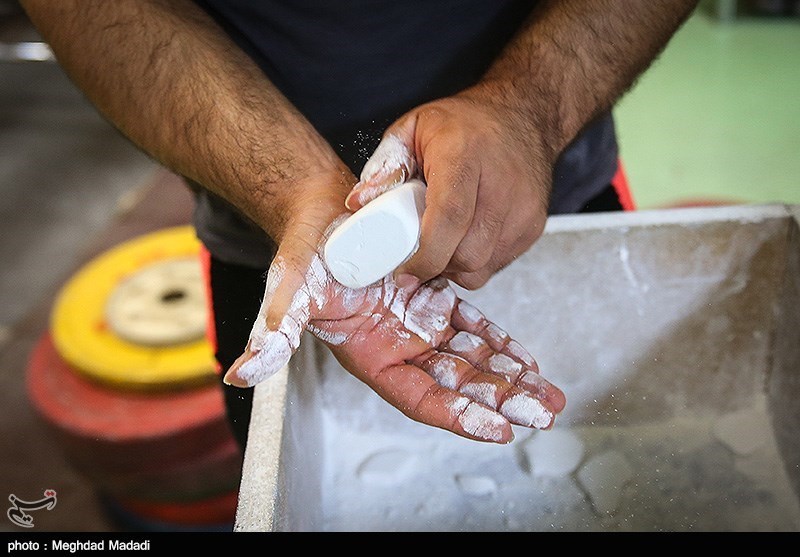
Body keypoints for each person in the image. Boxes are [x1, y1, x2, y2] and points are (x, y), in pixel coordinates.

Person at [20, 0, 698, 449]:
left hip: (547, 187)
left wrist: (530, 108)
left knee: (607, 445)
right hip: (280, 256)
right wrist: (296, 189)